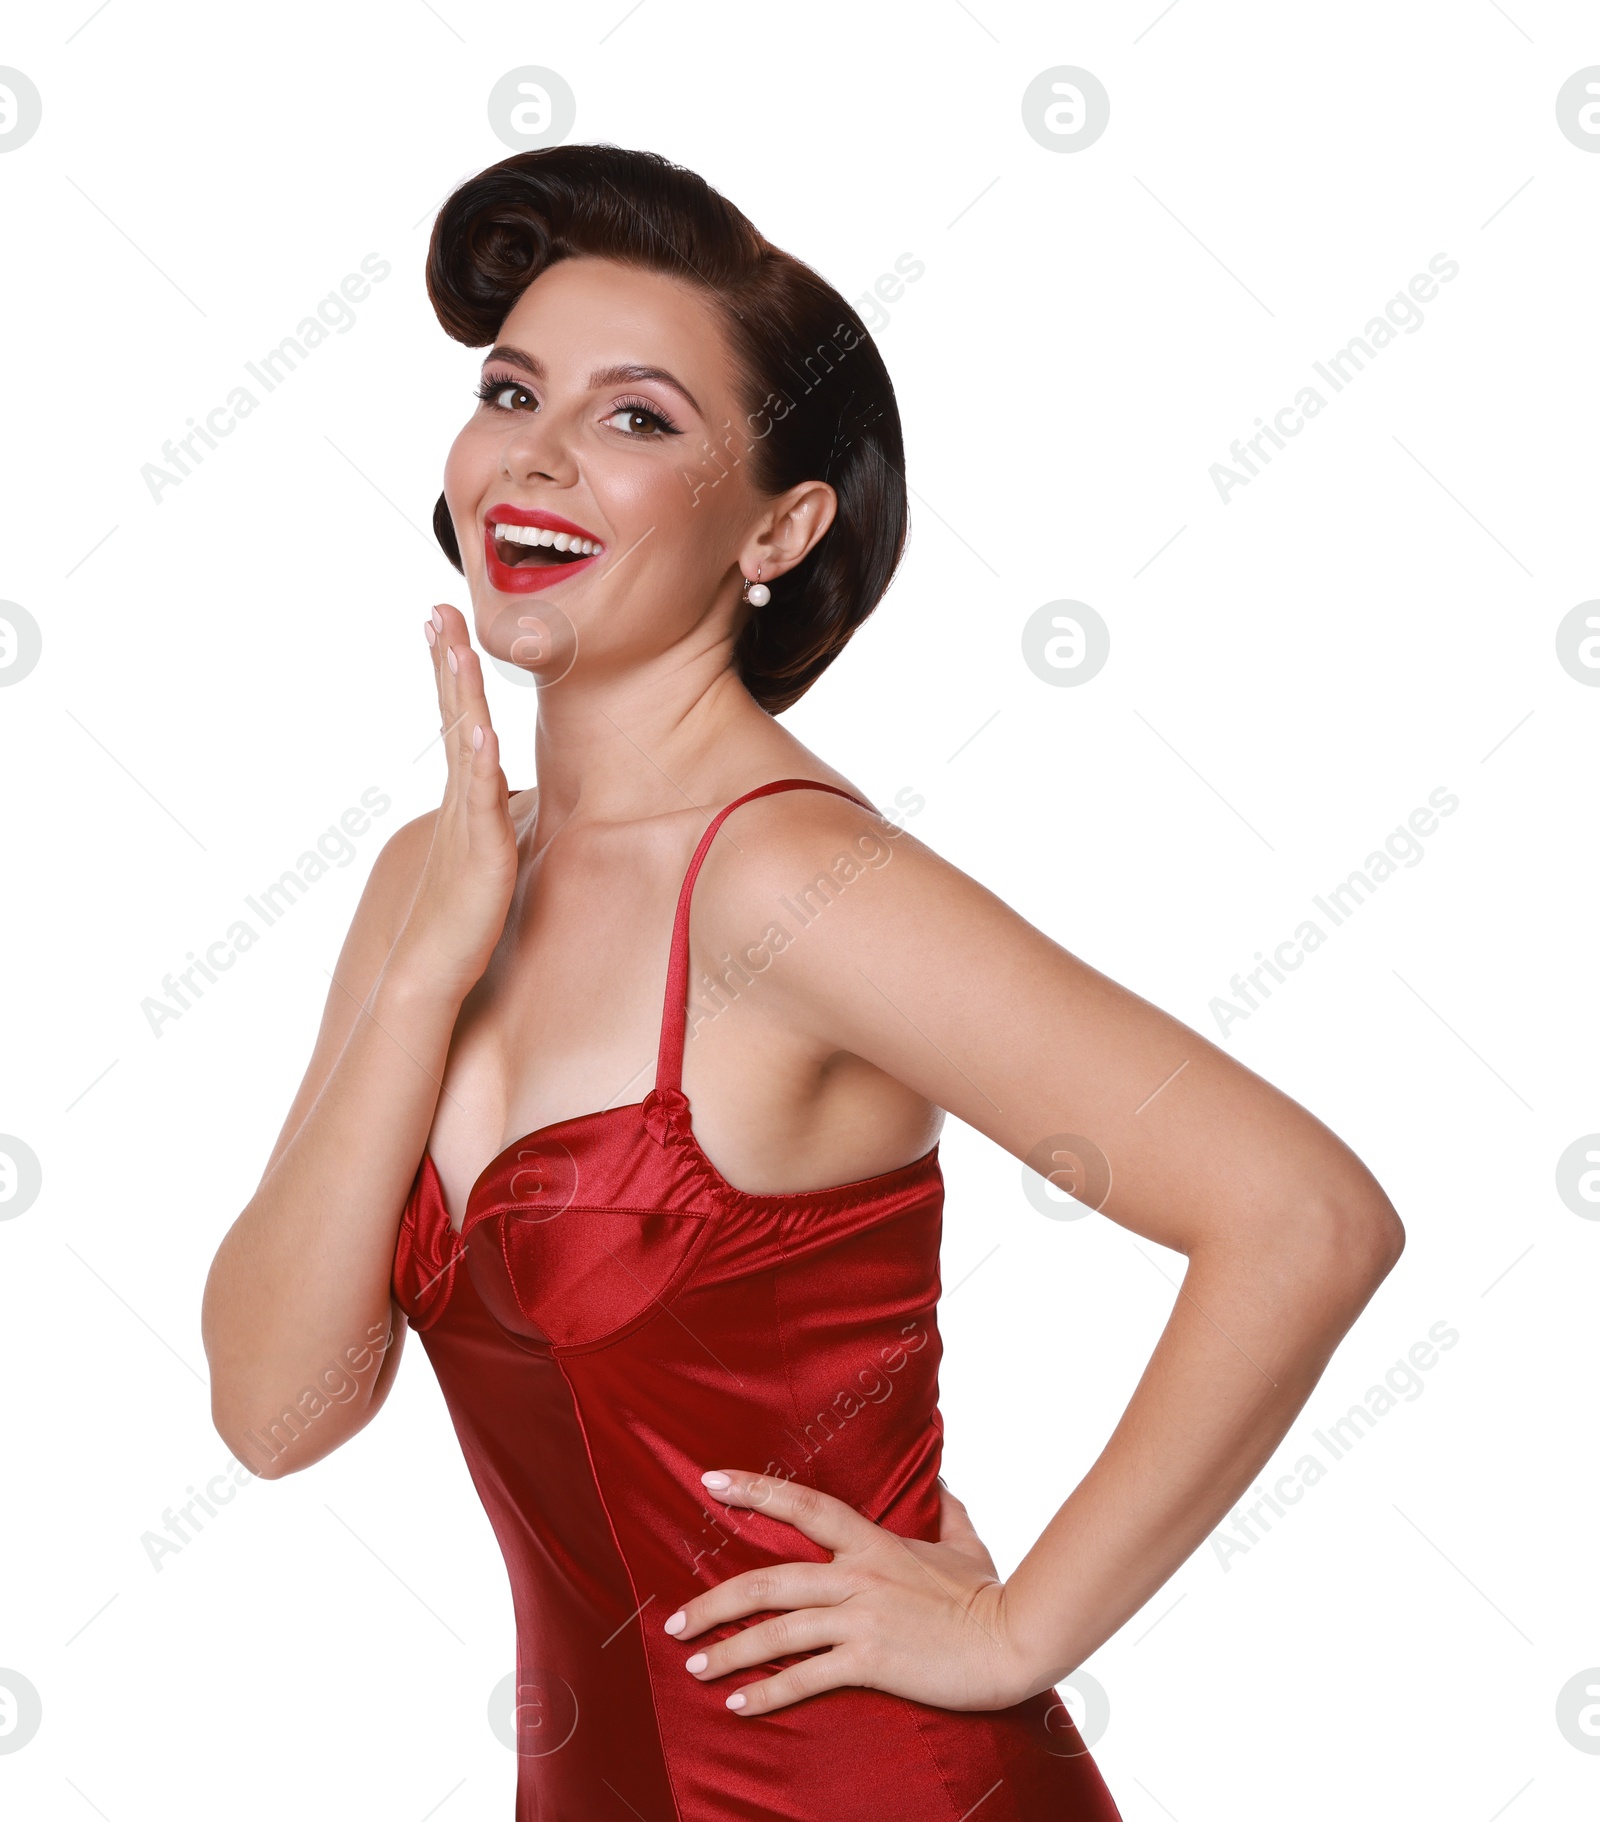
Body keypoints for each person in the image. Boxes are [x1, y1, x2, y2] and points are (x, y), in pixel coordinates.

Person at [201, 144, 1403, 1819]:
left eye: (637, 419)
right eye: (511, 389)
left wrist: (1010, 1629)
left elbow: (1305, 1214)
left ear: (780, 523)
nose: (536, 454)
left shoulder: (788, 883)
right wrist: (420, 981)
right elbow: (276, 1413)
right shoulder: (439, 870)